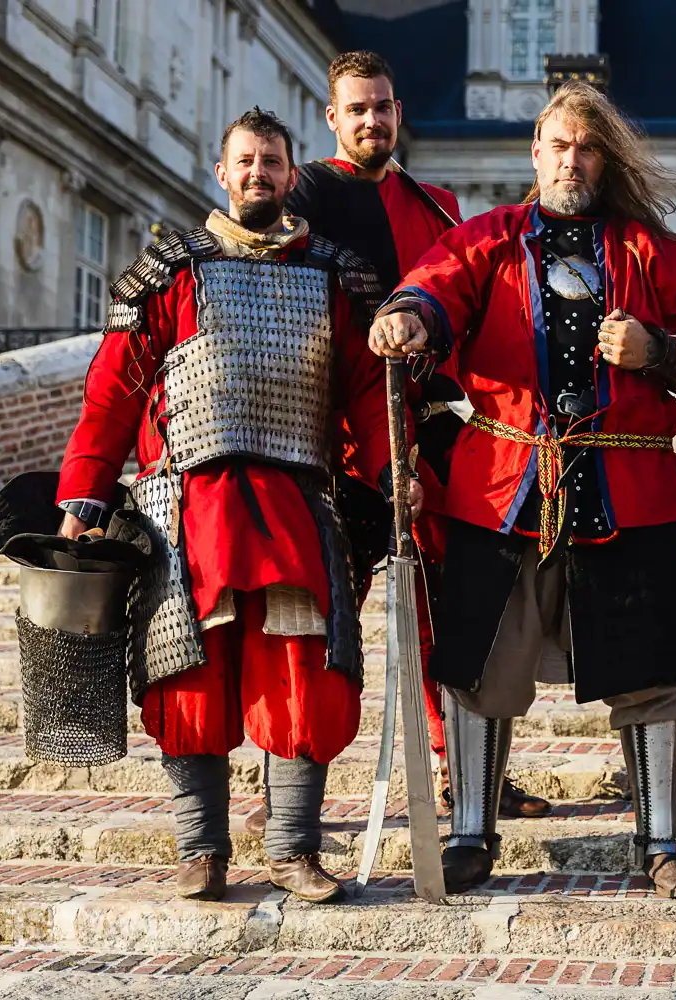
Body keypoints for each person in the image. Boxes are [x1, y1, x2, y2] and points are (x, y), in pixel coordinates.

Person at [367, 83, 676, 899]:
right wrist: (407, 317)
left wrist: (658, 351)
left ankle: (661, 839)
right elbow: (433, 292)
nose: (571, 160)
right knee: (474, 664)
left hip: (629, 486)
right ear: (534, 154)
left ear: (604, 159)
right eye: (558, 145)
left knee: (654, 670)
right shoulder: (486, 241)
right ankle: (472, 828)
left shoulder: (661, 255)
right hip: (502, 481)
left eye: (587, 147)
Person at [55, 108, 414, 904]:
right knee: (186, 669)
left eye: (273, 163)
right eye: (246, 162)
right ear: (223, 173)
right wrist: (81, 495)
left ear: (294, 175)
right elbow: (112, 393)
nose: (259, 174)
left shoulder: (333, 272)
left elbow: (363, 391)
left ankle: (292, 850)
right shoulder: (169, 273)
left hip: (296, 502)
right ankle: (203, 848)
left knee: (304, 674)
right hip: (184, 506)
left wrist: (396, 479)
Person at [281, 49, 551, 825]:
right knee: (328, 617)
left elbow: (472, 312)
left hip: (430, 430)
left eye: (384, 106)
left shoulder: (436, 206)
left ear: (400, 112)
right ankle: (297, 794)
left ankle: (466, 775)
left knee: (451, 611)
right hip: (336, 436)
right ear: (333, 117)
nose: (373, 120)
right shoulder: (305, 195)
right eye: (357, 109)